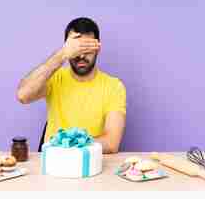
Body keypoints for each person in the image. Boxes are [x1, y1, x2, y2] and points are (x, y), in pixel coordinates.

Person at [17, 17, 126, 153]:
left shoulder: (114, 86)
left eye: (87, 48)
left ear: (97, 48)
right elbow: (23, 95)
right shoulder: (54, 78)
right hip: (54, 161)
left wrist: (68, 145)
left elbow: (111, 143)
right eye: (76, 49)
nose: (81, 56)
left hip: (90, 162)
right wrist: (61, 54)